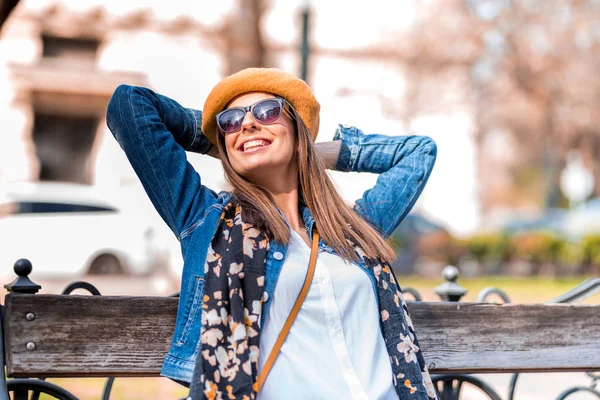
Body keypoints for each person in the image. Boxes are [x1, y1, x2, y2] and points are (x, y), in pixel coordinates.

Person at [106, 68, 438, 400]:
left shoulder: (350, 229)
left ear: (296, 129)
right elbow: (129, 106)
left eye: (267, 112)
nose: (248, 123)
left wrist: (308, 151)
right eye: (231, 119)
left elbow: (418, 153)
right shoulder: (206, 221)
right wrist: (227, 142)